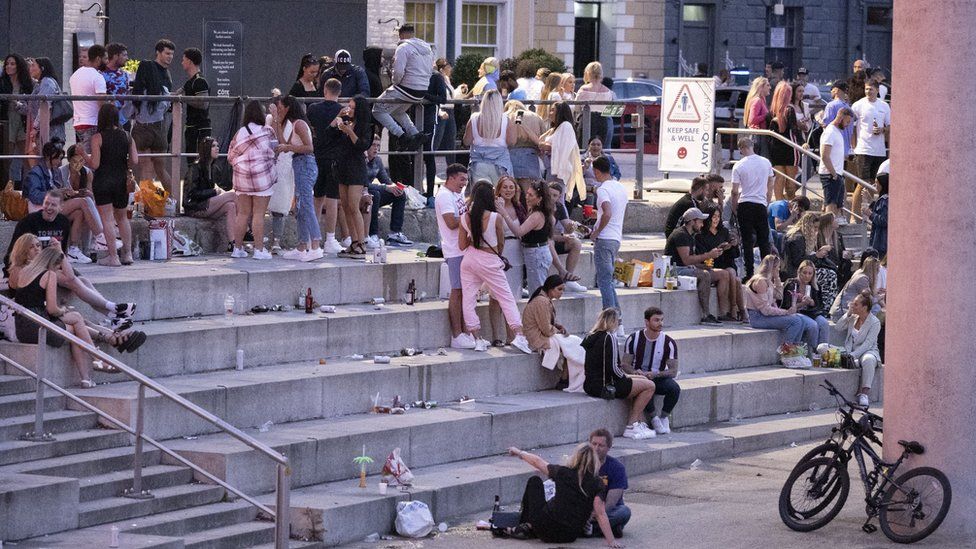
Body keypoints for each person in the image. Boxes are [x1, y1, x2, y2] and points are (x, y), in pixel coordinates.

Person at [458, 181, 533, 354]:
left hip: (469, 259)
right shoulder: (495, 217)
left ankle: (477, 339)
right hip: (489, 260)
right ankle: (519, 335)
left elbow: (462, 245)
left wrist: (473, 239)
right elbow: (500, 245)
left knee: (468, 300)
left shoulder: (465, 217)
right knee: (506, 297)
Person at [7, 231, 135, 330]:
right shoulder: (20, 269)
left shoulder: (38, 267)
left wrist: (60, 251)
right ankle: (113, 313)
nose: (37, 249)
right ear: (22, 251)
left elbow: (70, 276)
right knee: (77, 318)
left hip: (43, 306)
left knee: (82, 281)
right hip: (29, 314)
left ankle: (113, 316)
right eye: (31, 247)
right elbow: (69, 278)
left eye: (38, 245)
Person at [504, 443, 621, 547]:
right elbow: (601, 513)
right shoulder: (598, 483)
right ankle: (528, 526)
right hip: (570, 536)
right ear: (595, 461)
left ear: (576, 457)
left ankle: (526, 525)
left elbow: (537, 462)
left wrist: (519, 452)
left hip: (544, 530)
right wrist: (611, 541)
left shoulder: (563, 472)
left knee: (535, 481)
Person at [581, 308, 658, 440]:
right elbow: (614, 368)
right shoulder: (609, 337)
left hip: (591, 384)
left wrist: (631, 377)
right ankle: (631, 426)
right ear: (613, 321)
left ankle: (639, 423)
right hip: (606, 386)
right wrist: (625, 378)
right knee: (650, 385)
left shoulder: (591, 336)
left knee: (640, 379)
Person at [82, 103, 137, 266]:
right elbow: (134, 160)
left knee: (107, 219)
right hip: (121, 181)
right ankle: (127, 254)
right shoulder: (127, 136)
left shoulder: (97, 138)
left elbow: (95, 164)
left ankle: (113, 257)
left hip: (103, 181)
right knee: (122, 218)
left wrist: (83, 154)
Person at [619, 307, 681, 437]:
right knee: (646, 386)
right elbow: (625, 364)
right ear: (647, 322)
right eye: (656, 320)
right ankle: (653, 418)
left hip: (658, 377)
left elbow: (673, 371)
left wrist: (656, 374)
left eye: (662, 320)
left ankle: (664, 417)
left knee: (674, 388)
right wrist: (636, 372)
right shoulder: (634, 338)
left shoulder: (668, 342)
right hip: (639, 377)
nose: (660, 323)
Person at [228, 100, 278, 260]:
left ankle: (237, 248)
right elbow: (275, 150)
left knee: (242, 213)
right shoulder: (267, 130)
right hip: (262, 178)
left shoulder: (240, 132)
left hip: (242, 178)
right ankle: (259, 250)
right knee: (258, 214)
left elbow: (231, 155)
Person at [372, 25, 433, 151]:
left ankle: (402, 136)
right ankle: (415, 134)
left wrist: (394, 81)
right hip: (422, 90)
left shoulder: (403, 47)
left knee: (377, 109)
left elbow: (398, 72)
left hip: (406, 89)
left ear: (401, 35)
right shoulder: (428, 48)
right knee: (397, 111)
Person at [522, 275, 585, 389]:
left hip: (541, 334)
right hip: (536, 337)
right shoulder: (541, 301)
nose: (561, 292)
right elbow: (546, 329)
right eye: (559, 289)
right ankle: (566, 380)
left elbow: (548, 322)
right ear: (550, 289)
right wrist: (558, 331)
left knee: (575, 343)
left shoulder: (545, 300)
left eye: (563, 290)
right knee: (574, 343)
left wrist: (558, 326)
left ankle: (566, 379)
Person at [666, 207, 726, 324]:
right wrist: (708, 255)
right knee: (704, 276)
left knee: (724, 274)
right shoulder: (680, 235)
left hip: (685, 268)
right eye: (700, 221)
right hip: (673, 270)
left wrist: (704, 266)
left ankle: (724, 313)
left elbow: (691, 261)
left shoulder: (690, 235)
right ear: (692, 221)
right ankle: (706, 315)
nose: (703, 225)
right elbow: (686, 260)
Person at [821, 290, 882, 407]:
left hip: (867, 351)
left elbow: (868, 344)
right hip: (848, 350)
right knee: (821, 347)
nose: (852, 306)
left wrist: (853, 355)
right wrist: (848, 314)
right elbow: (838, 328)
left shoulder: (875, 322)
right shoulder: (853, 317)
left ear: (864, 307)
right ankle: (849, 361)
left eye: (855, 304)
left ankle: (864, 393)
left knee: (868, 360)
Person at [307, 78, 346, 255]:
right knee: (332, 200)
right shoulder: (343, 112)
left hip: (317, 156)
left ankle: (312, 238)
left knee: (317, 198)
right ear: (339, 92)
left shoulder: (313, 109)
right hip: (335, 159)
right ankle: (330, 239)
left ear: (324, 90)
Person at [131, 39, 175, 195]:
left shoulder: (142, 82)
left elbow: (134, 103)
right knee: (161, 168)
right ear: (158, 52)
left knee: (145, 168)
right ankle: (173, 201)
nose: (170, 57)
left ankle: (146, 203)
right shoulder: (166, 79)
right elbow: (166, 104)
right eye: (167, 53)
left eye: (171, 54)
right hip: (160, 126)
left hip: (142, 126)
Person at [331, 95, 373, 260]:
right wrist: (340, 121)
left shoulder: (365, 126)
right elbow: (333, 136)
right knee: (346, 206)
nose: (350, 110)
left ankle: (361, 244)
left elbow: (362, 145)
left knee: (354, 206)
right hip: (343, 167)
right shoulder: (348, 122)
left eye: (353, 107)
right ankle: (353, 241)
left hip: (356, 169)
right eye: (349, 106)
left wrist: (349, 132)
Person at [436, 164, 473, 349]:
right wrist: (473, 219)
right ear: (450, 178)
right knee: (457, 291)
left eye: (466, 180)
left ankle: (466, 332)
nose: (464, 183)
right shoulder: (443, 195)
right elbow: (451, 223)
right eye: (461, 179)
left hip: (464, 249)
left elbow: (462, 212)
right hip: (453, 250)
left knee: (466, 292)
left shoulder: (457, 194)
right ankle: (456, 335)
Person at [183, 136, 239, 252]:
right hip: (195, 206)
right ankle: (247, 228)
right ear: (206, 149)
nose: (217, 148)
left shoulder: (213, 168)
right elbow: (192, 193)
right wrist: (214, 192)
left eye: (217, 146)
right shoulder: (195, 167)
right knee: (233, 195)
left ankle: (232, 243)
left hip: (206, 204)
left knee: (231, 205)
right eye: (213, 146)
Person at [498, 179, 552, 296]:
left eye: (531, 195)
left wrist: (504, 213)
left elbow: (519, 232)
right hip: (533, 253)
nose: (526, 197)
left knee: (537, 292)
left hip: (536, 254)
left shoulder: (537, 215)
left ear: (539, 199)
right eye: (527, 193)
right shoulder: (534, 211)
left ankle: (539, 313)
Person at [730, 136, 774, 279]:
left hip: (745, 203)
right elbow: (770, 183)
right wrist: (766, 201)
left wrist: (734, 207)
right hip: (760, 204)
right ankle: (766, 272)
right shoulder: (766, 162)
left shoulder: (739, 165)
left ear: (741, 149)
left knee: (747, 241)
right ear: (752, 146)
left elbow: (734, 191)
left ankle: (749, 273)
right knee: (764, 241)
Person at [489, 175, 525, 346]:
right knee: (496, 297)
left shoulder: (519, 207)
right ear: (499, 189)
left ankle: (511, 336)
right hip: (499, 252)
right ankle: (497, 335)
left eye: (512, 187)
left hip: (516, 251)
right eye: (505, 187)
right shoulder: (493, 207)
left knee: (512, 296)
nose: (509, 190)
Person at [590, 156, 628, 317]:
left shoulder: (603, 189)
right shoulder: (620, 187)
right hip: (616, 238)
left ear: (597, 171)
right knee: (608, 281)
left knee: (604, 282)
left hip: (604, 238)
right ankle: (617, 320)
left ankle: (611, 321)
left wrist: (596, 232)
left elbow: (607, 213)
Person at [744, 254, 810, 345]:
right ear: (772, 268)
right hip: (758, 317)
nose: (779, 270)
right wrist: (786, 312)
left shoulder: (768, 281)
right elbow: (765, 310)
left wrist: (777, 278)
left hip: (764, 315)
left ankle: (795, 351)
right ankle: (787, 352)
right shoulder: (760, 281)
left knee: (800, 320)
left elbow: (779, 296)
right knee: (795, 321)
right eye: (777, 268)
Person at [850, 80, 890, 223]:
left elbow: (889, 126)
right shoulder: (858, 105)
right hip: (863, 149)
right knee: (862, 183)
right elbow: (852, 127)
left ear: (877, 90)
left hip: (878, 150)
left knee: (875, 184)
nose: (868, 92)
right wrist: (853, 146)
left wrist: (882, 130)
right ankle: (854, 216)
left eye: (871, 89)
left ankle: (867, 216)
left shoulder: (884, 106)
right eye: (866, 89)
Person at [59, 145, 109, 258]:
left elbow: (91, 196)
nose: (78, 164)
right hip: (63, 205)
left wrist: (88, 193)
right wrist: (67, 193)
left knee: (81, 212)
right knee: (84, 202)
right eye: (74, 161)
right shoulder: (62, 172)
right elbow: (57, 194)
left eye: (81, 161)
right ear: (69, 160)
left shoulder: (87, 173)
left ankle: (74, 249)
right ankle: (100, 236)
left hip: (78, 207)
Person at [697, 206, 745, 322]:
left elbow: (735, 255)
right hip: (712, 264)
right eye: (714, 217)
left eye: (718, 217)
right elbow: (702, 254)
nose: (716, 219)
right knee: (731, 276)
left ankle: (736, 310)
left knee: (733, 275)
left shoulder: (723, 231)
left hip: (725, 262)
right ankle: (733, 311)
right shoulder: (701, 235)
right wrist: (716, 250)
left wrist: (732, 246)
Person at [363, 139, 411, 248]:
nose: (376, 148)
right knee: (375, 194)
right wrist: (386, 187)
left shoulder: (378, 161)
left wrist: (396, 187)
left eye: (378, 146)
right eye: (373, 145)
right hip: (361, 193)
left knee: (400, 194)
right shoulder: (361, 160)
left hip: (373, 192)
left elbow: (386, 180)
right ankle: (372, 233)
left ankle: (395, 232)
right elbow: (362, 184)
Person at [462, 89, 515, 184]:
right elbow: (511, 142)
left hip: (479, 164)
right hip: (500, 165)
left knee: (481, 195)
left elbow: (466, 141)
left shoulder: (474, 118)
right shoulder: (506, 120)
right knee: (499, 195)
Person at [588, 429, 631, 538]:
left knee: (624, 512)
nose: (596, 448)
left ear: (608, 448)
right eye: (594, 444)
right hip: (585, 508)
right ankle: (609, 529)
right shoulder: (582, 464)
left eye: (601, 445)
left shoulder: (617, 468)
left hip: (606, 510)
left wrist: (594, 515)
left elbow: (611, 502)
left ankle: (592, 529)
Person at [540, 102, 585, 207]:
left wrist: (548, 147)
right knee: (550, 200)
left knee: (558, 201)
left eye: (552, 110)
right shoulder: (555, 129)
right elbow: (540, 140)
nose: (550, 113)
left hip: (558, 170)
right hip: (550, 169)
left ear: (559, 112)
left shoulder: (566, 126)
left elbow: (565, 148)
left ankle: (562, 222)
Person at [782, 259, 830, 349]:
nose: (807, 276)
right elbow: (787, 306)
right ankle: (811, 351)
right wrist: (802, 303)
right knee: (813, 325)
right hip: (798, 312)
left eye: (810, 273)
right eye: (804, 273)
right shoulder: (792, 284)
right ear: (799, 272)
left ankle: (823, 350)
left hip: (811, 312)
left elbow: (820, 306)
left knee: (824, 323)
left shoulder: (815, 286)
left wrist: (812, 302)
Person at [547, 182, 586, 292]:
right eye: (549, 194)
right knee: (550, 241)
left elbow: (567, 224)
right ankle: (563, 272)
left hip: (552, 240)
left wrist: (579, 228)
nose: (551, 198)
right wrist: (562, 237)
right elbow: (544, 235)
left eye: (555, 196)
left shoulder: (559, 207)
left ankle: (568, 281)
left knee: (576, 242)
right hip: (541, 241)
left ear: (559, 197)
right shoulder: (540, 206)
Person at [767, 81, 801, 200]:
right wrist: (802, 144)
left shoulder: (771, 111)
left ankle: (779, 204)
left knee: (779, 178)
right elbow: (794, 130)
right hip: (790, 148)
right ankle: (792, 206)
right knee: (790, 183)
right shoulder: (790, 109)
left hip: (775, 149)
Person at [68, 46, 106, 153]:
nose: (107, 62)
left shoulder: (75, 75)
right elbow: (102, 102)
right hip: (92, 122)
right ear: (98, 59)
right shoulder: (97, 77)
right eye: (105, 58)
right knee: (91, 158)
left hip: (78, 122)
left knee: (81, 157)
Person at [818, 107, 854, 217]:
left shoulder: (837, 132)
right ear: (841, 117)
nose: (848, 125)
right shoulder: (830, 132)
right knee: (831, 204)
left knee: (838, 204)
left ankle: (833, 229)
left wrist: (846, 158)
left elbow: (833, 154)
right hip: (830, 174)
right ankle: (827, 231)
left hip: (837, 173)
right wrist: (833, 174)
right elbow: (824, 155)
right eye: (847, 121)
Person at [505, 100, 545, 187]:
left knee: (512, 191)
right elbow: (542, 139)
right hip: (531, 158)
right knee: (530, 193)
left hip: (511, 157)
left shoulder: (507, 117)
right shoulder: (536, 117)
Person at [179, 47, 211, 155]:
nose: (182, 63)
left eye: (183, 60)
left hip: (200, 128)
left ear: (189, 61)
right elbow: (178, 94)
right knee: (191, 162)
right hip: (191, 128)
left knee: (200, 163)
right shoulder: (189, 83)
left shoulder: (200, 81)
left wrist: (183, 99)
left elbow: (204, 103)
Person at [830, 256, 883, 321]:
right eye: (877, 268)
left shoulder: (863, 276)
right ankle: (867, 329)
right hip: (841, 313)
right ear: (873, 269)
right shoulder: (862, 279)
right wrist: (881, 297)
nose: (879, 270)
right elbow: (870, 301)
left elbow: (873, 296)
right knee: (875, 308)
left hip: (849, 310)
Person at [27, 57, 67, 144]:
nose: (30, 68)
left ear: (42, 68)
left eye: (33, 65)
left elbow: (44, 107)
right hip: (47, 132)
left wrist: (35, 127)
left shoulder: (47, 83)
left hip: (51, 134)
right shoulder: (40, 84)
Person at [575, 62, 614, 145]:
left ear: (588, 73)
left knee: (583, 147)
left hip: (587, 119)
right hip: (603, 121)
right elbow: (609, 108)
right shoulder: (607, 91)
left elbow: (577, 108)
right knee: (599, 148)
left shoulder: (584, 89)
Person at [432, 58, 458, 174]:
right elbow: (437, 97)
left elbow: (451, 97)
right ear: (442, 69)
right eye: (448, 67)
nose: (450, 69)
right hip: (442, 111)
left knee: (451, 141)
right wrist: (439, 112)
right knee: (437, 140)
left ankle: (452, 170)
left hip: (451, 111)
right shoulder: (437, 79)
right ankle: (429, 165)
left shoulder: (447, 79)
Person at [782, 211, 824, 280]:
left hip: (798, 269)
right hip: (793, 271)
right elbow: (797, 261)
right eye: (815, 227)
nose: (816, 230)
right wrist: (816, 256)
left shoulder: (801, 236)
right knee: (828, 274)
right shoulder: (798, 238)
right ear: (808, 226)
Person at [100, 44, 130, 129]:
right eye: (124, 55)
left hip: (124, 120)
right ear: (115, 56)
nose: (127, 58)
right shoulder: (101, 74)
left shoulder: (125, 74)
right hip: (108, 121)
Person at [743, 77, 770, 153]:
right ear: (761, 87)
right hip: (757, 137)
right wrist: (767, 115)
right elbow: (752, 120)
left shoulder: (761, 100)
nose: (770, 88)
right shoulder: (757, 100)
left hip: (760, 135)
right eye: (767, 85)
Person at [864, 173, 888, 257]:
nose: (875, 185)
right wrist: (871, 201)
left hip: (881, 243)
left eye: (877, 183)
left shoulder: (885, 200)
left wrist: (870, 214)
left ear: (882, 185)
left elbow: (885, 220)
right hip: (879, 241)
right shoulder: (883, 199)